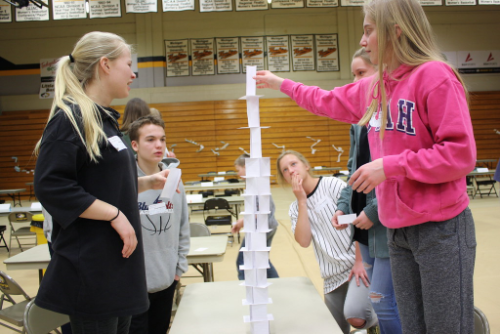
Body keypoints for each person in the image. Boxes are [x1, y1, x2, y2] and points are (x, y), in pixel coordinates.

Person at [255, 0, 477, 331]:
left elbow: (460, 154)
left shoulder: (434, 76)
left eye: (369, 30)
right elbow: (326, 100)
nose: (362, 40)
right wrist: (280, 84)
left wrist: (390, 167)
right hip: (397, 231)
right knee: (412, 326)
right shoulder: (376, 86)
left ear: (395, 31)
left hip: (440, 229)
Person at [34, 31, 172, 334]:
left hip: (117, 272)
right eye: (128, 64)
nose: (133, 73)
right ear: (105, 65)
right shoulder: (70, 119)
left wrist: (147, 182)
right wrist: (115, 214)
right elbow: (51, 185)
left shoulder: (105, 121)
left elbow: (103, 185)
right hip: (92, 273)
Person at [332, 48, 402, 334]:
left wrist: (373, 211)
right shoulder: (359, 119)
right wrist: (342, 205)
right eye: (353, 75)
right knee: (378, 300)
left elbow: (396, 170)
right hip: (362, 229)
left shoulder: (393, 115)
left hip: (385, 223)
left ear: (379, 73)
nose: (355, 80)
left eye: (361, 73)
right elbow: (353, 168)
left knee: (384, 302)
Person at [277, 150, 377, 334]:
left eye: (293, 164)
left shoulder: (330, 184)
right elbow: (304, 241)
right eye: (285, 170)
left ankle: (380, 315)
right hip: (332, 278)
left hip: (356, 267)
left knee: (357, 318)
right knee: (333, 329)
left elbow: (356, 219)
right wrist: (301, 201)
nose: (290, 171)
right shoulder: (294, 208)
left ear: (306, 165)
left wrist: (359, 260)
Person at [128, 115, 190, 334]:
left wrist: (178, 268)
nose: (158, 145)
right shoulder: (124, 181)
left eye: (162, 139)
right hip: (133, 285)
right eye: (150, 139)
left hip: (166, 279)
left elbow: (183, 226)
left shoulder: (174, 178)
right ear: (134, 145)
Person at [231, 153, 279, 280]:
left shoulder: (256, 183)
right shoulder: (256, 182)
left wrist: (243, 222)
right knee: (261, 260)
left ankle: (246, 287)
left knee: (243, 261)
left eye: (238, 169)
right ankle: (278, 282)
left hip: (263, 227)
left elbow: (261, 211)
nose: (237, 173)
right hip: (268, 225)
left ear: (246, 166)